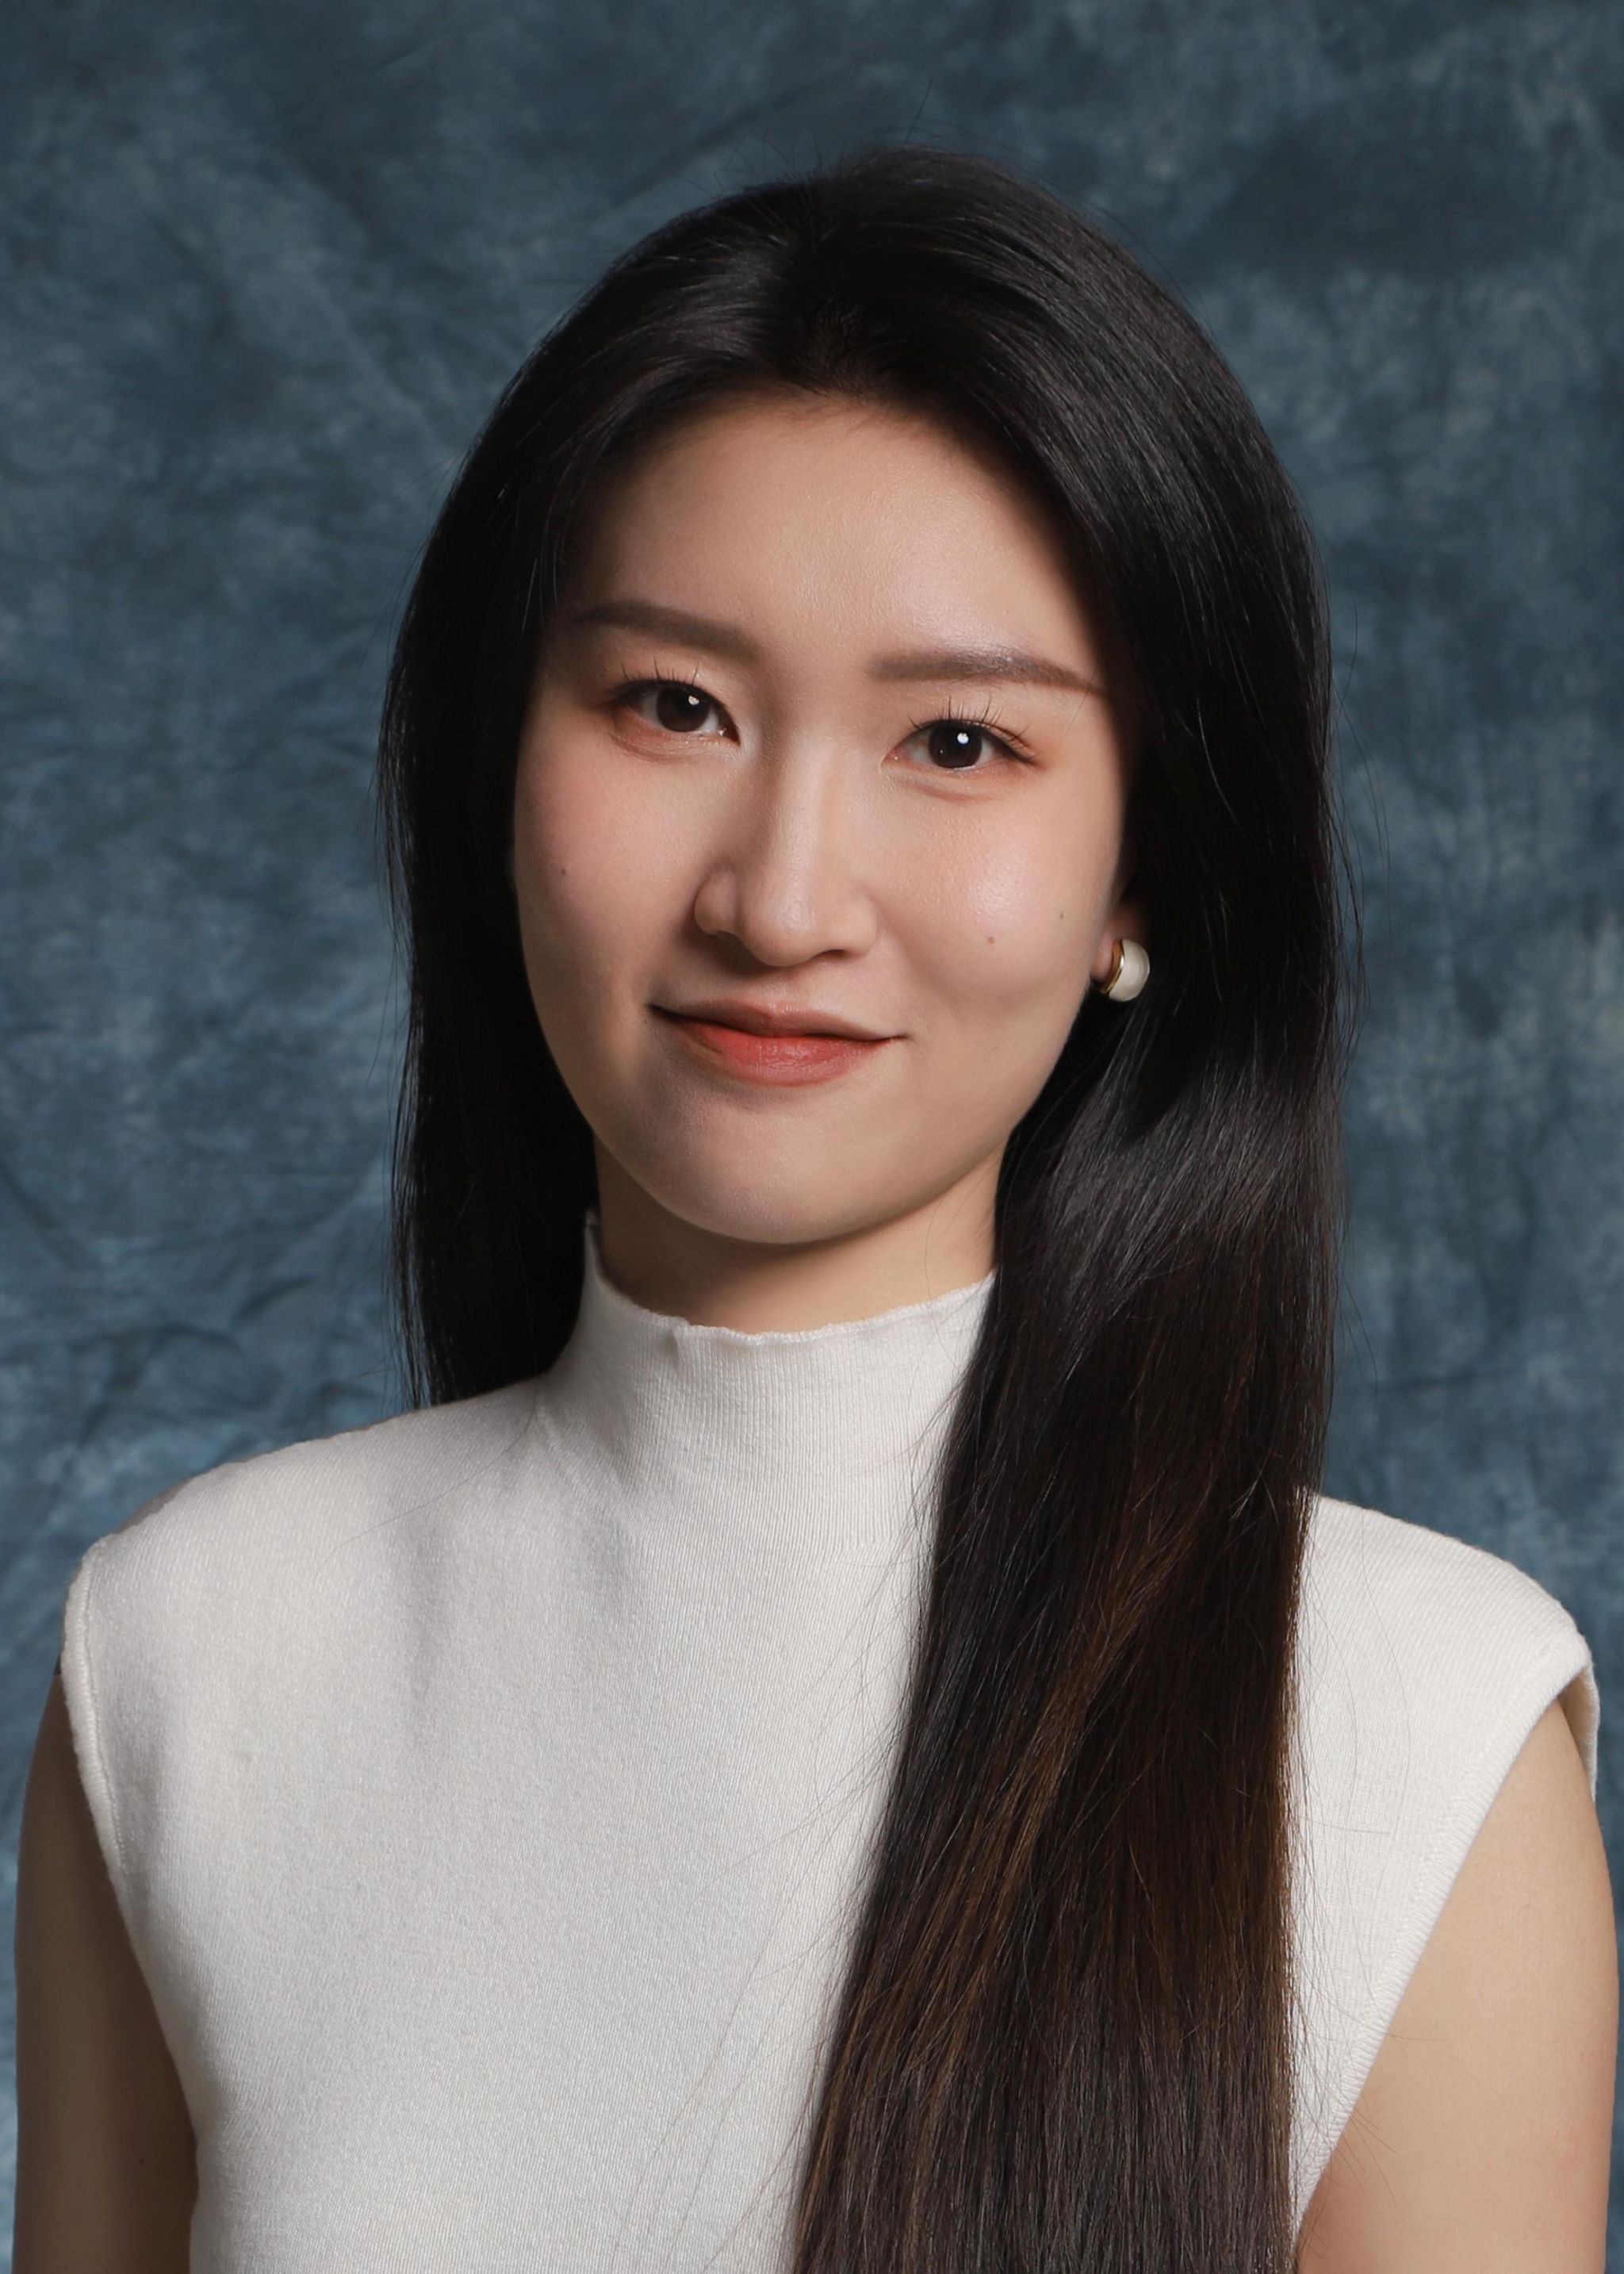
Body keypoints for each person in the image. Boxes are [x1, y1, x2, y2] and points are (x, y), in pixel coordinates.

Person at [14, 145, 1614, 2274]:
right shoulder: (190, 1657)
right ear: (501, 770)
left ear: (1143, 876)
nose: (780, 900)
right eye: (673, 705)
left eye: (957, 741)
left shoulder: (1414, 1729)